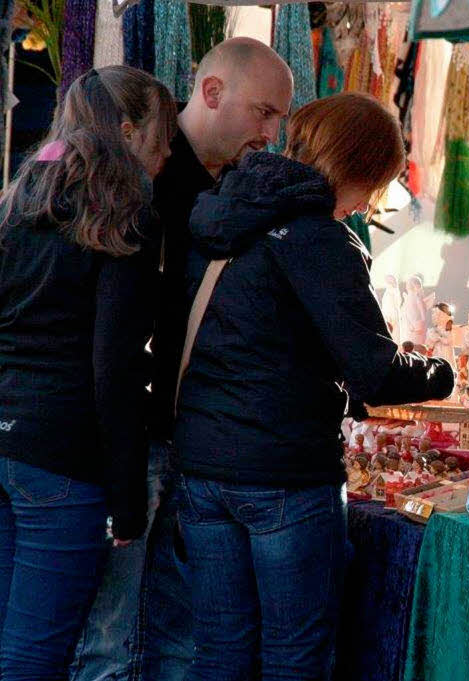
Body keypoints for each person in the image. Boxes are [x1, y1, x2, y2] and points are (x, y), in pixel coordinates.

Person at [174, 92, 454, 679]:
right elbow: (374, 371)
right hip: (284, 471)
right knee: (294, 659)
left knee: (219, 652)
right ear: (365, 172)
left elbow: (255, 337)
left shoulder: (222, 209)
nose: (368, 205)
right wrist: (439, 372)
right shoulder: (318, 238)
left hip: (202, 465)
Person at [71, 38, 294, 681]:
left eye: (280, 117)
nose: (272, 131)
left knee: (173, 627)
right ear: (214, 93)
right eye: (265, 112)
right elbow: (111, 335)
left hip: (182, 436)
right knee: (109, 635)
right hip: (123, 437)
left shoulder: (228, 187)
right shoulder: (144, 180)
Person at [0, 66, 174, 679]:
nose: (166, 155)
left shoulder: (21, 201)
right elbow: (114, 369)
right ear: (128, 132)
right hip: (62, 457)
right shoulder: (124, 216)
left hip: (9, 438)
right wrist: (128, 503)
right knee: (33, 655)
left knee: (11, 644)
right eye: (162, 138)